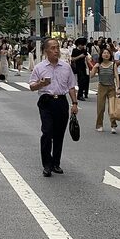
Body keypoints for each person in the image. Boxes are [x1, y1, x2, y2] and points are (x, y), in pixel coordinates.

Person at [29, 38, 79, 177]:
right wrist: (41, 84)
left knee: (59, 134)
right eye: (52, 48)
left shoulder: (66, 67)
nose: (56, 50)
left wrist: (74, 103)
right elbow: (31, 86)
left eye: (57, 47)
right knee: (47, 132)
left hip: (61, 102)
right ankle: (47, 164)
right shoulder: (40, 67)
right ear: (46, 51)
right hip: (46, 101)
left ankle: (56, 162)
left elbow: (71, 86)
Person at [91, 47, 119, 133]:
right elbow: (91, 76)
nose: (106, 54)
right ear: (101, 55)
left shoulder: (113, 64)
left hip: (111, 87)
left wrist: (118, 87)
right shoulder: (99, 65)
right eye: (104, 53)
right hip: (101, 87)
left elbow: (117, 76)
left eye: (107, 53)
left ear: (110, 55)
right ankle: (99, 125)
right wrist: (94, 67)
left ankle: (113, 125)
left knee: (112, 108)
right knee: (100, 108)